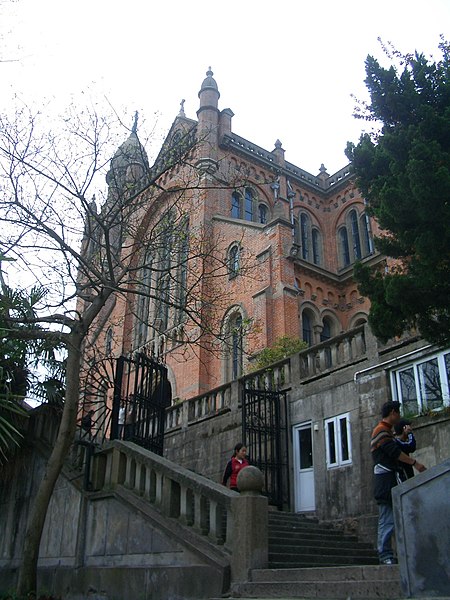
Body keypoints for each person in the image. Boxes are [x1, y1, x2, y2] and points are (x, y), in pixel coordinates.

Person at [371, 400, 426, 565]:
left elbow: (403, 448)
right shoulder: (381, 431)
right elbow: (395, 453)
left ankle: (396, 552)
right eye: (398, 413)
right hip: (386, 482)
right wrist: (415, 463)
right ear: (393, 413)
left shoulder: (386, 432)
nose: (400, 416)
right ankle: (385, 554)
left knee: (395, 518)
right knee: (387, 519)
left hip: (392, 480)